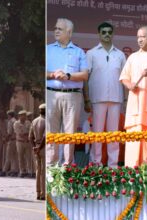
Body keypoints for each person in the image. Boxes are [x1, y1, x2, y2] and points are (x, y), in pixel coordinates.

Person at [119, 25, 147, 166]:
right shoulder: (133, 57)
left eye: (143, 37)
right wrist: (129, 85)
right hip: (135, 107)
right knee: (133, 141)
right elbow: (124, 77)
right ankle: (131, 176)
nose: (139, 40)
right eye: (138, 37)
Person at [46, 18, 88, 165]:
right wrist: (52, 74)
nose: (56, 31)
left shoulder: (79, 52)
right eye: (55, 28)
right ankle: (51, 166)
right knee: (52, 131)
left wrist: (68, 76)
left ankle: (67, 166)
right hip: (52, 94)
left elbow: (84, 75)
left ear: (69, 32)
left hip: (72, 95)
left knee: (69, 133)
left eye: (60, 29)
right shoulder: (48, 49)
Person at [85, 22, 126, 167]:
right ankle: (96, 164)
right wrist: (86, 99)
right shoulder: (91, 53)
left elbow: (124, 77)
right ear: (99, 34)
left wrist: (125, 98)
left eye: (109, 32)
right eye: (104, 32)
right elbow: (85, 77)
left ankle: (113, 166)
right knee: (97, 133)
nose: (107, 34)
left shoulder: (120, 54)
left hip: (116, 98)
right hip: (97, 98)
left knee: (113, 134)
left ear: (113, 34)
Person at [29, 104, 45, 200]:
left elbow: (30, 137)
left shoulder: (34, 121)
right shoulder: (46, 121)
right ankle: (43, 193)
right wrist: (39, 147)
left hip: (36, 147)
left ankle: (38, 192)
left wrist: (34, 147)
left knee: (38, 170)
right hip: (43, 147)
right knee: (43, 171)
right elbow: (45, 137)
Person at [14, 110, 32, 177]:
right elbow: (19, 133)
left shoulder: (28, 123)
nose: (24, 117)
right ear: (19, 116)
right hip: (20, 142)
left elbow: (30, 132)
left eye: (25, 115)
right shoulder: (16, 123)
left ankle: (29, 171)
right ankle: (22, 171)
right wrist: (26, 134)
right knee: (20, 157)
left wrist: (26, 135)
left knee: (28, 157)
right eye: (22, 115)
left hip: (27, 142)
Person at [1, 110, 19, 176]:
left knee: (8, 156)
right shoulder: (16, 121)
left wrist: (5, 139)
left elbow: (9, 133)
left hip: (11, 140)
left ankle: (4, 170)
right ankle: (15, 170)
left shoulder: (10, 122)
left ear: (9, 115)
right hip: (16, 140)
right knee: (14, 157)